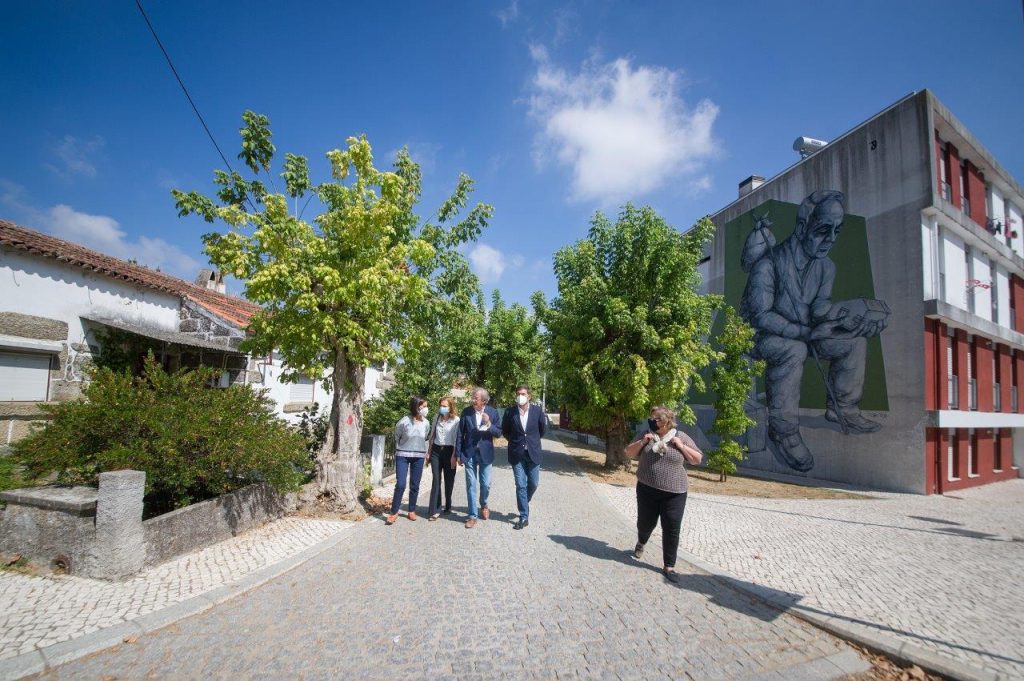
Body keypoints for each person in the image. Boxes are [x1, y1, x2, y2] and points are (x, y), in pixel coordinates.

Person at [740, 190, 887, 472]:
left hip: (803, 332)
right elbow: (760, 316)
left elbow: (819, 307)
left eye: (836, 231)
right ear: (802, 227)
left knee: (852, 341)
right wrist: (801, 332)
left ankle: (843, 407)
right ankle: (783, 430)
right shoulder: (768, 264)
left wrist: (846, 316)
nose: (830, 239)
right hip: (758, 338)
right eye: (823, 230)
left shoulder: (826, 267)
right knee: (793, 350)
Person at [624, 406, 703, 583]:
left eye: (656, 419)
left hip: (674, 493)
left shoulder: (680, 436)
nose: (652, 421)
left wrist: (682, 447)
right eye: (651, 418)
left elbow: (697, 459)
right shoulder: (646, 434)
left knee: (672, 528)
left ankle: (669, 565)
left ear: (667, 421)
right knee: (645, 523)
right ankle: (641, 541)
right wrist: (642, 442)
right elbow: (628, 453)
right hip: (646, 489)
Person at [501, 384, 546, 530]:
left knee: (533, 483)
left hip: (533, 453)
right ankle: (524, 516)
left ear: (529, 396)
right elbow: (505, 431)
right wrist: (516, 443)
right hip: (517, 454)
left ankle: (524, 502)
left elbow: (542, 431)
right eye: (518, 393)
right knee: (520, 485)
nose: (520, 396)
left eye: (523, 394)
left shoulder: (538, 411)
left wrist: (531, 442)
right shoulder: (510, 412)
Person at [455, 387, 501, 528]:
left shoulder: (492, 412)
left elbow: (498, 433)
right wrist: (458, 454)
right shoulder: (466, 412)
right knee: (471, 484)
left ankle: (484, 504)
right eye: (473, 397)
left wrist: (488, 423)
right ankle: (472, 516)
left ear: (484, 400)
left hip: (486, 453)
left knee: (486, 484)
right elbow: (459, 434)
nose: (473, 399)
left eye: (476, 397)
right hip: (469, 453)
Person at [386, 396, 430, 525]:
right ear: (416, 407)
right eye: (423, 406)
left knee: (415, 485)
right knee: (400, 484)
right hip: (403, 455)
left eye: (426, 406)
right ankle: (394, 512)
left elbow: (425, 437)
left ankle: (411, 509)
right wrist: (400, 448)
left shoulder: (426, 423)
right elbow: (397, 436)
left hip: (419, 456)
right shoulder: (404, 421)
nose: (426, 409)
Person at [426, 395, 459, 520]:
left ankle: (448, 504)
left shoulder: (456, 420)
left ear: (450, 407)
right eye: (441, 405)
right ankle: (435, 509)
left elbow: (457, 439)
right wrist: (429, 452)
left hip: (450, 451)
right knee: (436, 479)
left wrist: (454, 456)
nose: (442, 408)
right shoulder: (436, 418)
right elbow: (432, 435)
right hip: (436, 451)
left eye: (445, 406)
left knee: (449, 481)